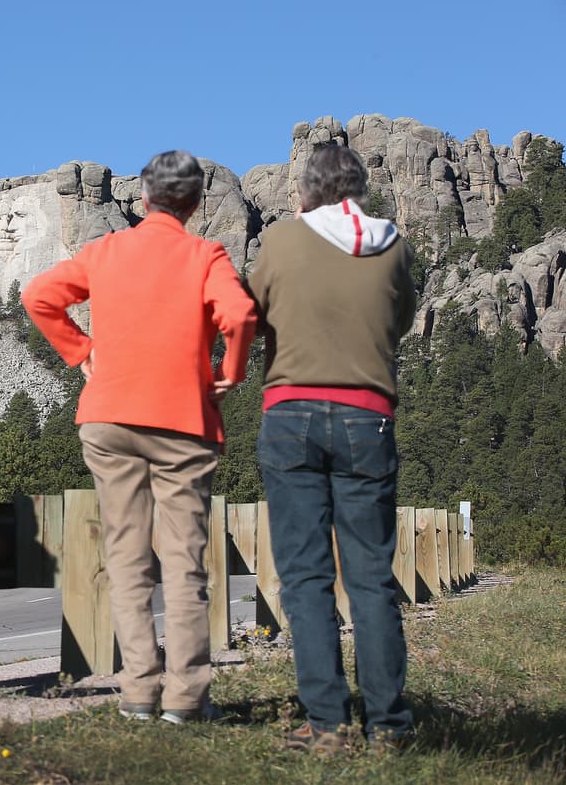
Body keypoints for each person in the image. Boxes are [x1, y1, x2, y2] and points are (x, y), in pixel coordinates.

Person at [23, 150, 257, 724]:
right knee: (184, 563)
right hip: (184, 421)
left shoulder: (105, 250)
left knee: (126, 559)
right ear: (196, 204)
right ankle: (185, 699)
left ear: (144, 198)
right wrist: (230, 371)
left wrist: (82, 352)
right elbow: (242, 315)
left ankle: (137, 693)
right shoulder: (206, 254)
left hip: (109, 418)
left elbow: (38, 297)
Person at [246, 143, 416, 753]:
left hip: (291, 413)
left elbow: (255, 311)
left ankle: (326, 724)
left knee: (306, 577)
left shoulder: (283, 241)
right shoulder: (393, 244)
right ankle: (390, 728)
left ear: (307, 190)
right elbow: (401, 318)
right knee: (370, 579)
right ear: (360, 188)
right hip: (367, 416)